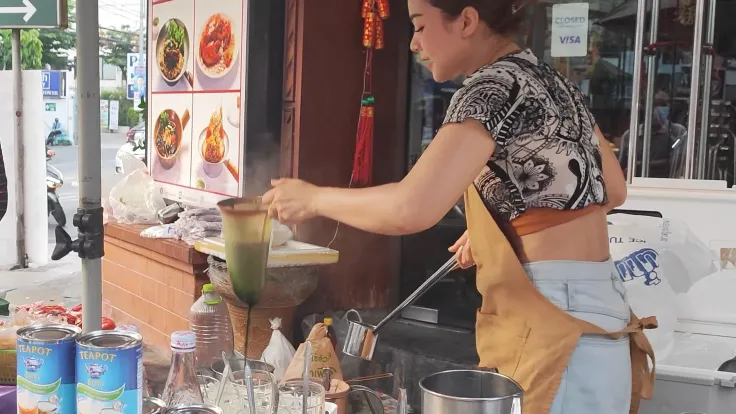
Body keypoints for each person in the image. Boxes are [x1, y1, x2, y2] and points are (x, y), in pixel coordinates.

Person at [263, 1, 656, 413]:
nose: (414, 43)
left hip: (554, 316)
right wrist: (501, 230)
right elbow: (611, 189)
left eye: (419, 25)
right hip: (602, 310)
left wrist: (314, 198)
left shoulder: (490, 88)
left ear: (466, 21)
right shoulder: (552, 80)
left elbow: (410, 207)